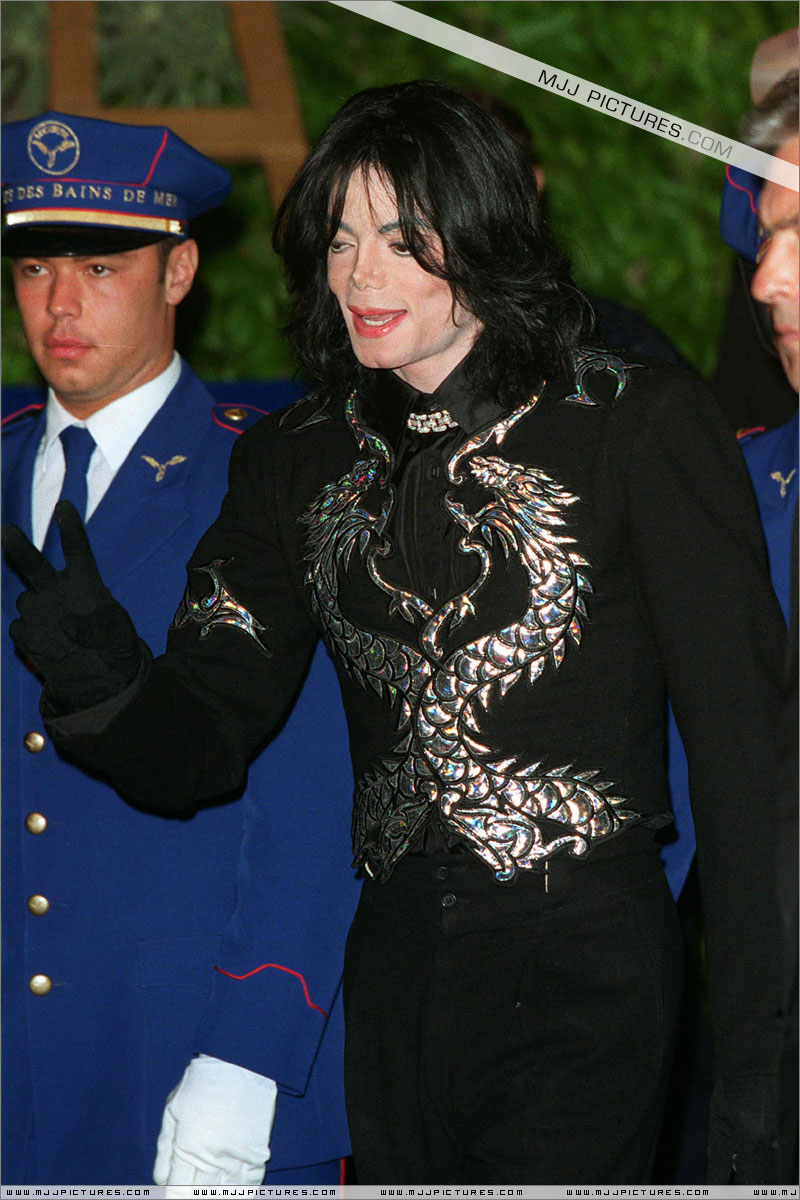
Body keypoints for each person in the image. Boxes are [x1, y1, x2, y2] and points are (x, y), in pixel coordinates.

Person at [2, 83, 788, 1185]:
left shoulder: (633, 418)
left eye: (401, 238)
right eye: (339, 240)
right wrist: (105, 679)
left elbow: (747, 765)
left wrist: (763, 1063)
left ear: (482, 230)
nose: (361, 276)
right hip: (392, 972)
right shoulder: (294, 457)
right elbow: (203, 742)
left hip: (583, 963)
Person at [1, 111, 359, 1185]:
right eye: (35, 268)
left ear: (180, 271)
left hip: (179, 1050)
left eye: (100, 267)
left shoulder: (270, 477)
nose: (60, 305)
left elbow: (315, 805)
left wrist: (253, 1052)